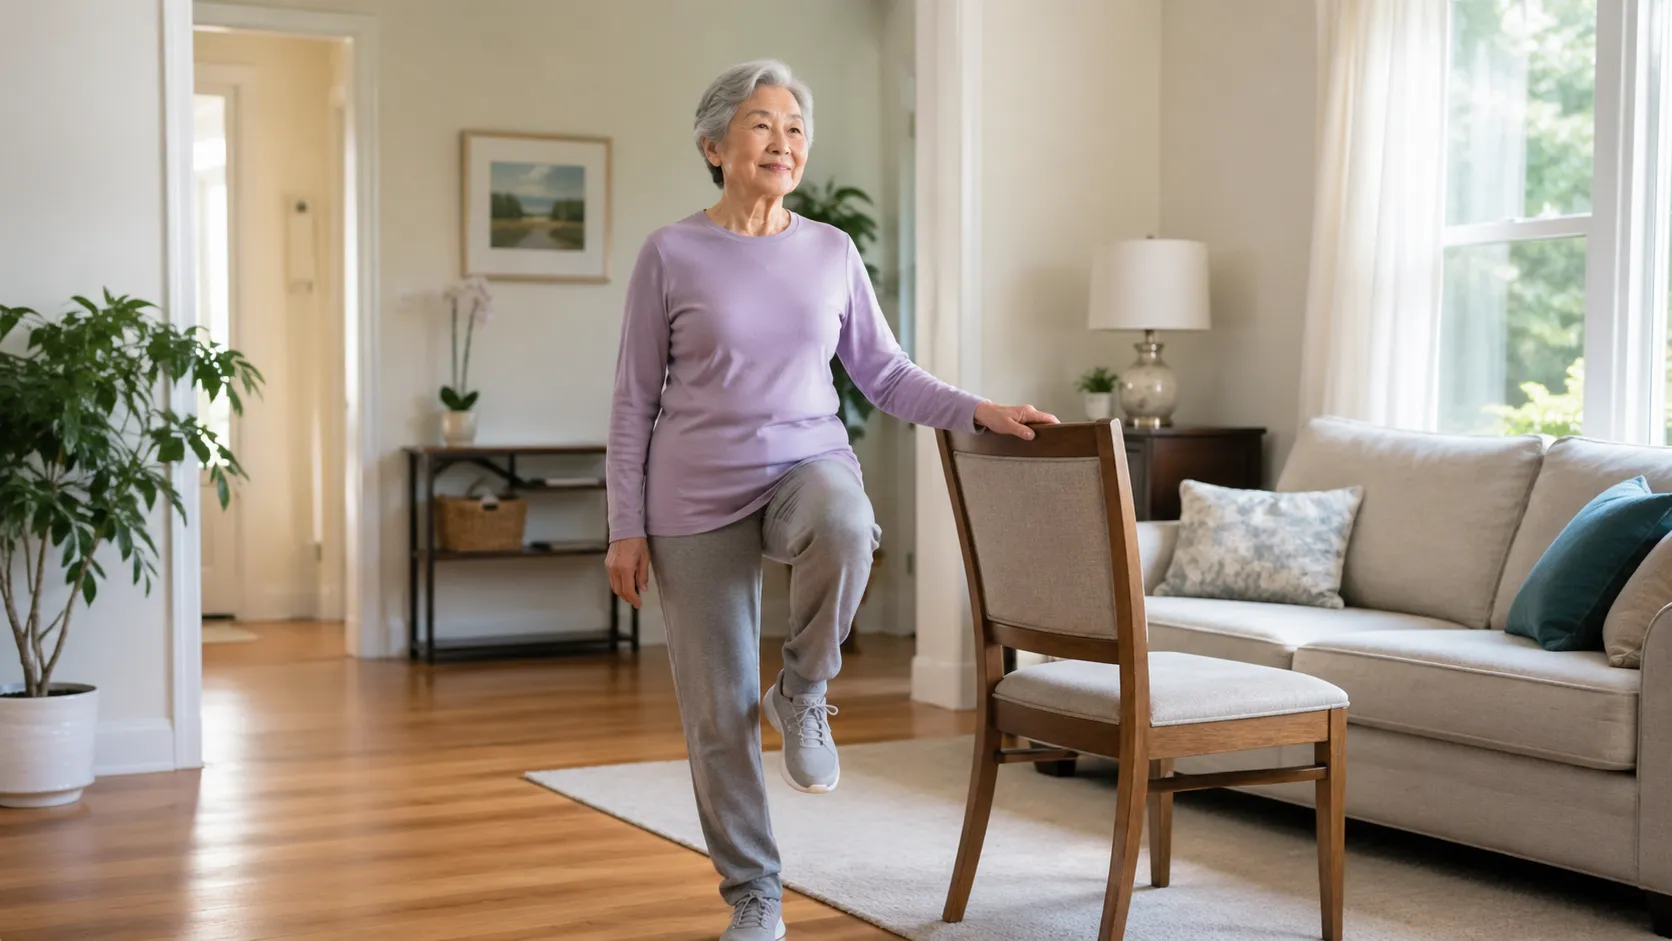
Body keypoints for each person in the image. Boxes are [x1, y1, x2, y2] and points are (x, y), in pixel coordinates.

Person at [604, 59, 1058, 941]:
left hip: (804, 464)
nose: (785, 141)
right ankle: (756, 895)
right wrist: (626, 524)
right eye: (764, 124)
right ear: (714, 146)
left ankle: (805, 686)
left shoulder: (829, 251)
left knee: (849, 523)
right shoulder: (670, 252)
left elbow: (883, 373)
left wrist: (978, 409)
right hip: (690, 497)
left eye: (797, 127)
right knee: (716, 708)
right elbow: (633, 400)